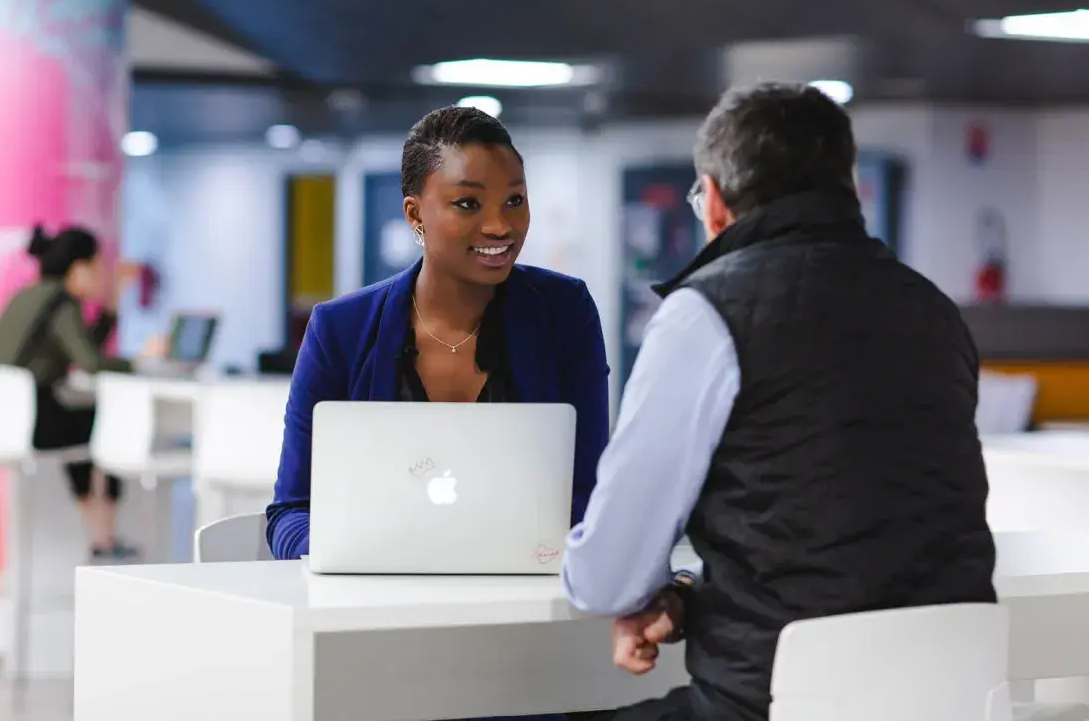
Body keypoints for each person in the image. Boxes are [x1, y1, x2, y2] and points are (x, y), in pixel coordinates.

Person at [561, 84, 996, 721]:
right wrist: (687, 591)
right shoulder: (934, 310)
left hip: (772, 704)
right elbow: (850, 526)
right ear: (847, 188)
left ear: (712, 201)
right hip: (950, 699)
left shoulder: (705, 315)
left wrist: (656, 594)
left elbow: (607, 576)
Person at [267, 105, 611, 561]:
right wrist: (344, 558)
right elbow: (291, 511)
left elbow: (589, 492)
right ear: (415, 215)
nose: (500, 226)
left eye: (514, 200)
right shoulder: (341, 331)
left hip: (522, 600)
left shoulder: (564, 313)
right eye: (468, 203)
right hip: (372, 608)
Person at [0, 226, 168, 561]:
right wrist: (142, 359)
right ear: (79, 267)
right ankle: (105, 538)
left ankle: (101, 537)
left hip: (11, 421)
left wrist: (115, 300)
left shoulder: (30, 295)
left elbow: (83, 347)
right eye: (98, 266)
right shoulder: (60, 303)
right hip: (35, 420)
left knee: (83, 427)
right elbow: (91, 361)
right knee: (108, 425)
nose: (101, 274)